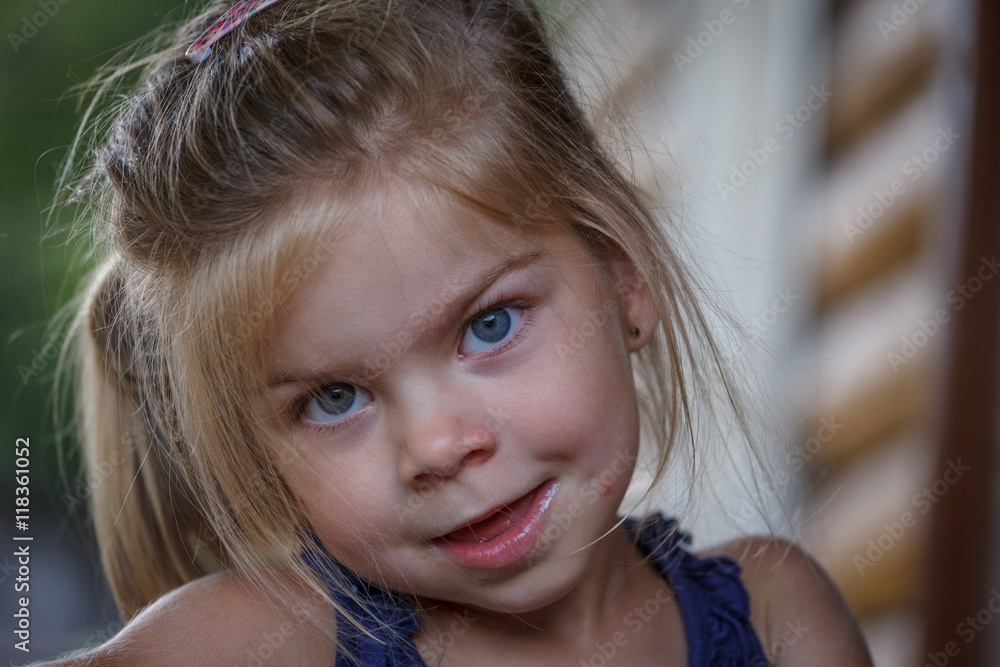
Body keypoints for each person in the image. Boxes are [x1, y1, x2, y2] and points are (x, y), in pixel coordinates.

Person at [44, 0, 873, 664]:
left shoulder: (778, 616)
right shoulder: (270, 640)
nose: (437, 446)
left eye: (489, 325)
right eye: (335, 398)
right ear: (258, 454)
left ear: (622, 277)